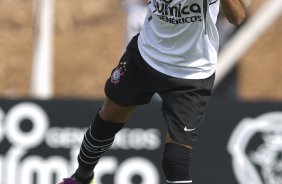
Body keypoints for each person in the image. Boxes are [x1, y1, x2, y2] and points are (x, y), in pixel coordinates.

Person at [58, 0, 245, 184]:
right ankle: (82, 178)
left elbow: (237, 17)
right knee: (108, 117)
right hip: (146, 54)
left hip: (191, 73)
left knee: (175, 159)